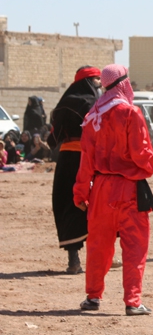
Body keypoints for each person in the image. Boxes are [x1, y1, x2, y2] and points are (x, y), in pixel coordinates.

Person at [73, 65, 153, 316]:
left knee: (98, 245)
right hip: (129, 189)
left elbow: (85, 161)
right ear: (123, 83)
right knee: (135, 246)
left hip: (99, 189)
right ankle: (132, 301)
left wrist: (80, 193)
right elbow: (141, 156)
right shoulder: (130, 113)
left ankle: (92, 297)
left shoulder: (91, 117)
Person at [48, 66, 101, 274]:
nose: (99, 83)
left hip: (69, 159)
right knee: (97, 203)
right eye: (97, 79)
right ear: (88, 81)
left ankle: (74, 260)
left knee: (68, 203)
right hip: (93, 159)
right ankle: (103, 256)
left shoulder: (64, 104)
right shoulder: (100, 104)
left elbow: (54, 138)